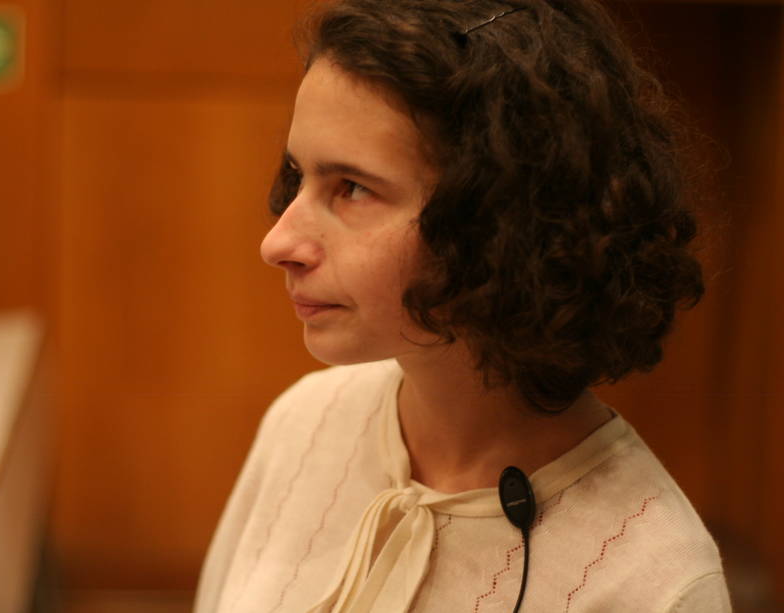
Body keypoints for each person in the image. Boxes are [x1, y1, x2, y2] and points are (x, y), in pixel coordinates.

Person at [194, 0, 731, 611]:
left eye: (353, 188)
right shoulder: (305, 422)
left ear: (504, 222)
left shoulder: (654, 582)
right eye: (298, 176)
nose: (277, 243)